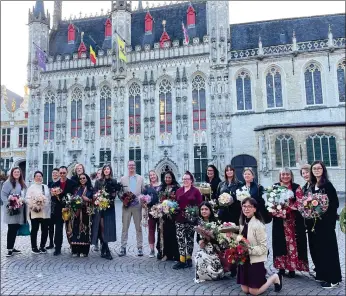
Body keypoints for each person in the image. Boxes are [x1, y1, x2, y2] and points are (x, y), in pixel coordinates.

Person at [237, 197, 282, 295]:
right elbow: (241, 238)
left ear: (255, 209)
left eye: (249, 206)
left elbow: (263, 248)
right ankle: (261, 276)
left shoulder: (259, 225)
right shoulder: (242, 221)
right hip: (244, 260)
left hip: (255, 260)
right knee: (245, 290)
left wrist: (248, 250)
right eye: (244, 206)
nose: (246, 209)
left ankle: (274, 277)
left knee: (254, 292)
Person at [308, 161, 342, 289]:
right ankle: (323, 274)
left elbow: (335, 204)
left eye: (319, 168)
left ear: (323, 170)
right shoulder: (312, 186)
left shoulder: (328, 185)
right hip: (315, 224)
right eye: (314, 168)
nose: (316, 170)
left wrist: (323, 212)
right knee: (319, 250)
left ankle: (334, 278)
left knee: (329, 250)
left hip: (326, 224)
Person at [272, 168, 308, 278]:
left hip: (293, 221)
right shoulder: (275, 186)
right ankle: (281, 267)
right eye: (283, 174)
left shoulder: (296, 187)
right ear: (280, 176)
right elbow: (271, 201)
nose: (285, 176)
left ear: (291, 176)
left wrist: (289, 208)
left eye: (287, 174)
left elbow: (300, 202)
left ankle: (292, 268)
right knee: (279, 243)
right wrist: (275, 209)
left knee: (293, 244)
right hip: (279, 221)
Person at [216, 165, 243, 277]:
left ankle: (235, 267)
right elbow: (217, 197)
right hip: (224, 215)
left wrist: (233, 200)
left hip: (234, 214)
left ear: (234, 171)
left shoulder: (239, 184)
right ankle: (225, 265)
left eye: (231, 170)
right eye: (227, 170)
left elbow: (242, 197)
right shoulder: (221, 184)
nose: (229, 172)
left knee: (234, 240)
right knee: (224, 240)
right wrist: (221, 201)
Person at [173, 171, 203, 269]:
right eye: (184, 179)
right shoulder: (179, 191)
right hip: (179, 219)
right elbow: (176, 204)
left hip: (191, 219)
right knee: (180, 239)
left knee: (189, 239)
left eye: (187, 179)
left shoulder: (196, 191)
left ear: (191, 180)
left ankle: (189, 258)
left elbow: (200, 205)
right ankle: (182, 260)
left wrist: (194, 213)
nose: (185, 180)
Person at [91, 164, 118, 260]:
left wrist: (111, 195)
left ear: (110, 171)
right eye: (105, 169)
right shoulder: (98, 181)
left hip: (109, 207)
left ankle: (103, 250)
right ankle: (107, 251)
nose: (107, 170)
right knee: (102, 228)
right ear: (103, 171)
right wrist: (99, 196)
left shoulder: (113, 181)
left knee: (107, 228)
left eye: (108, 169)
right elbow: (94, 192)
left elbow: (115, 194)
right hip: (100, 208)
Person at [119, 161, 145, 257]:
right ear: (127, 166)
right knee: (124, 227)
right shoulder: (123, 179)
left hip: (137, 206)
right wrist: (123, 199)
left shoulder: (140, 178)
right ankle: (123, 247)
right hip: (126, 207)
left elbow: (143, 191)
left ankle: (139, 248)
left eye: (133, 165)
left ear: (135, 166)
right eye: (130, 165)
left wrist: (142, 199)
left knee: (138, 227)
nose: (131, 167)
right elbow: (120, 193)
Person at [51, 166, 78, 256]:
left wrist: (68, 204)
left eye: (64, 173)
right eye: (61, 173)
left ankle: (74, 247)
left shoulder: (72, 183)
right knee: (58, 229)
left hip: (69, 209)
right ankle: (57, 248)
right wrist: (56, 195)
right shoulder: (54, 185)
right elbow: (52, 198)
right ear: (58, 173)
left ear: (67, 173)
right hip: (59, 210)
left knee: (71, 229)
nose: (62, 174)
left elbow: (74, 195)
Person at [194, 201, 224, 282]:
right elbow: (199, 242)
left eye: (206, 209)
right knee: (199, 255)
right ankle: (204, 276)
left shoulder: (216, 222)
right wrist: (203, 239)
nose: (204, 211)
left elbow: (220, 239)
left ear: (210, 210)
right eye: (202, 209)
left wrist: (211, 236)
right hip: (205, 248)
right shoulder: (199, 223)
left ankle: (215, 273)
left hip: (216, 249)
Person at [1, 167, 27, 257]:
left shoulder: (21, 183)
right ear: (12, 173)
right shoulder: (8, 183)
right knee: (11, 229)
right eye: (15, 172)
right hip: (11, 210)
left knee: (15, 228)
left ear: (20, 173)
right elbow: (3, 195)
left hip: (19, 209)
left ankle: (12, 247)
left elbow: (23, 194)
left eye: (18, 172)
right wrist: (9, 203)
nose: (16, 173)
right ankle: (9, 249)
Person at [67, 173, 93, 257]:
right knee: (75, 230)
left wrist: (88, 199)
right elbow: (72, 198)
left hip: (86, 213)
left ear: (87, 179)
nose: (82, 180)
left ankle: (84, 251)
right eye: (80, 178)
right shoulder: (76, 189)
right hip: (76, 213)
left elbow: (93, 200)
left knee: (84, 231)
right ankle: (75, 250)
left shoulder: (90, 189)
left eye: (83, 178)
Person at [26, 171, 51, 254]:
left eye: (40, 176)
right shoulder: (31, 187)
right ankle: (34, 247)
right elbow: (27, 199)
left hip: (44, 212)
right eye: (37, 176)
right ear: (34, 178)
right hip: (34, 212)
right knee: (34, 230)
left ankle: (42, 246)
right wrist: (34, 206)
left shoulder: (45, 187)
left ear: (42, 177)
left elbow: (48, 198)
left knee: (44, 230)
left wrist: (44, 204)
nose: (38, 177)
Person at [159, 171, 180, 261]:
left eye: (169, 177)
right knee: (165, 234)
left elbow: (178, 200)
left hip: (173, 214)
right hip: (164, 215)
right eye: (166, 177)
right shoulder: (162, 188)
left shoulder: (176, 188)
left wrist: (172, 207)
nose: (167, 179)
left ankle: (176, 254)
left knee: (174, 234)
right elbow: (160, 199)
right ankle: (167, 254)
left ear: (172, 178)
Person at [143, 170, 161, 258]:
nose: (152, 176)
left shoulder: (162, 186)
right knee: (151, 230)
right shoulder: (147, 187)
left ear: (156, 175)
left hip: (161, 211)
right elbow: (143, 200)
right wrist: (144, 201)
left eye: (154, 174)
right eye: (151, 175)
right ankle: (152, 250)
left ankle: (160, 249)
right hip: (151, 211)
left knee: (161, 230)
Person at [46, 168, 60, 249]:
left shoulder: (59, 183)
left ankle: (57, 243)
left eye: (56, 173)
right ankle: (51, 243)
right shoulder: (50, 183)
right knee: (50, 227)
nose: (54, 174)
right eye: (53, 173)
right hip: (50, 207)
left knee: (58, 227)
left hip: (58, 206)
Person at [91, 168, 103, 251]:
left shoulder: (104, 182)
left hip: (104, 207)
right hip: (95, 207)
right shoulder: (93, 183)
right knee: (96, 225)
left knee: (103, 226)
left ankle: (103, 242)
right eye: (98, 173)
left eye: (100, 173)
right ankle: (96, 243)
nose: (99, 174)